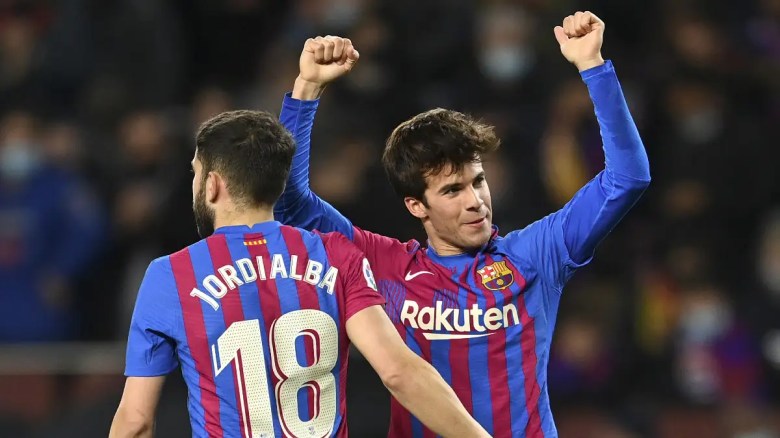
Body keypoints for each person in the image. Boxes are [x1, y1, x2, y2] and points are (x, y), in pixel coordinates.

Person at [276, 11, 651, 437]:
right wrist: (306, 90)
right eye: (453, 191)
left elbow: (627, 178)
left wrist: (593, 67)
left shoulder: (534, 256)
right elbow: (289, 204)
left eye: (478, 181)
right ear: (417, 205)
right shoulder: (384, 266)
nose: (475, 202)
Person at [109, 109, 489, 438]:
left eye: (195, 173)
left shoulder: (170, 275)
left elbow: (136, 422)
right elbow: (399, 372)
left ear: (212, 185)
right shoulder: (336, 254)